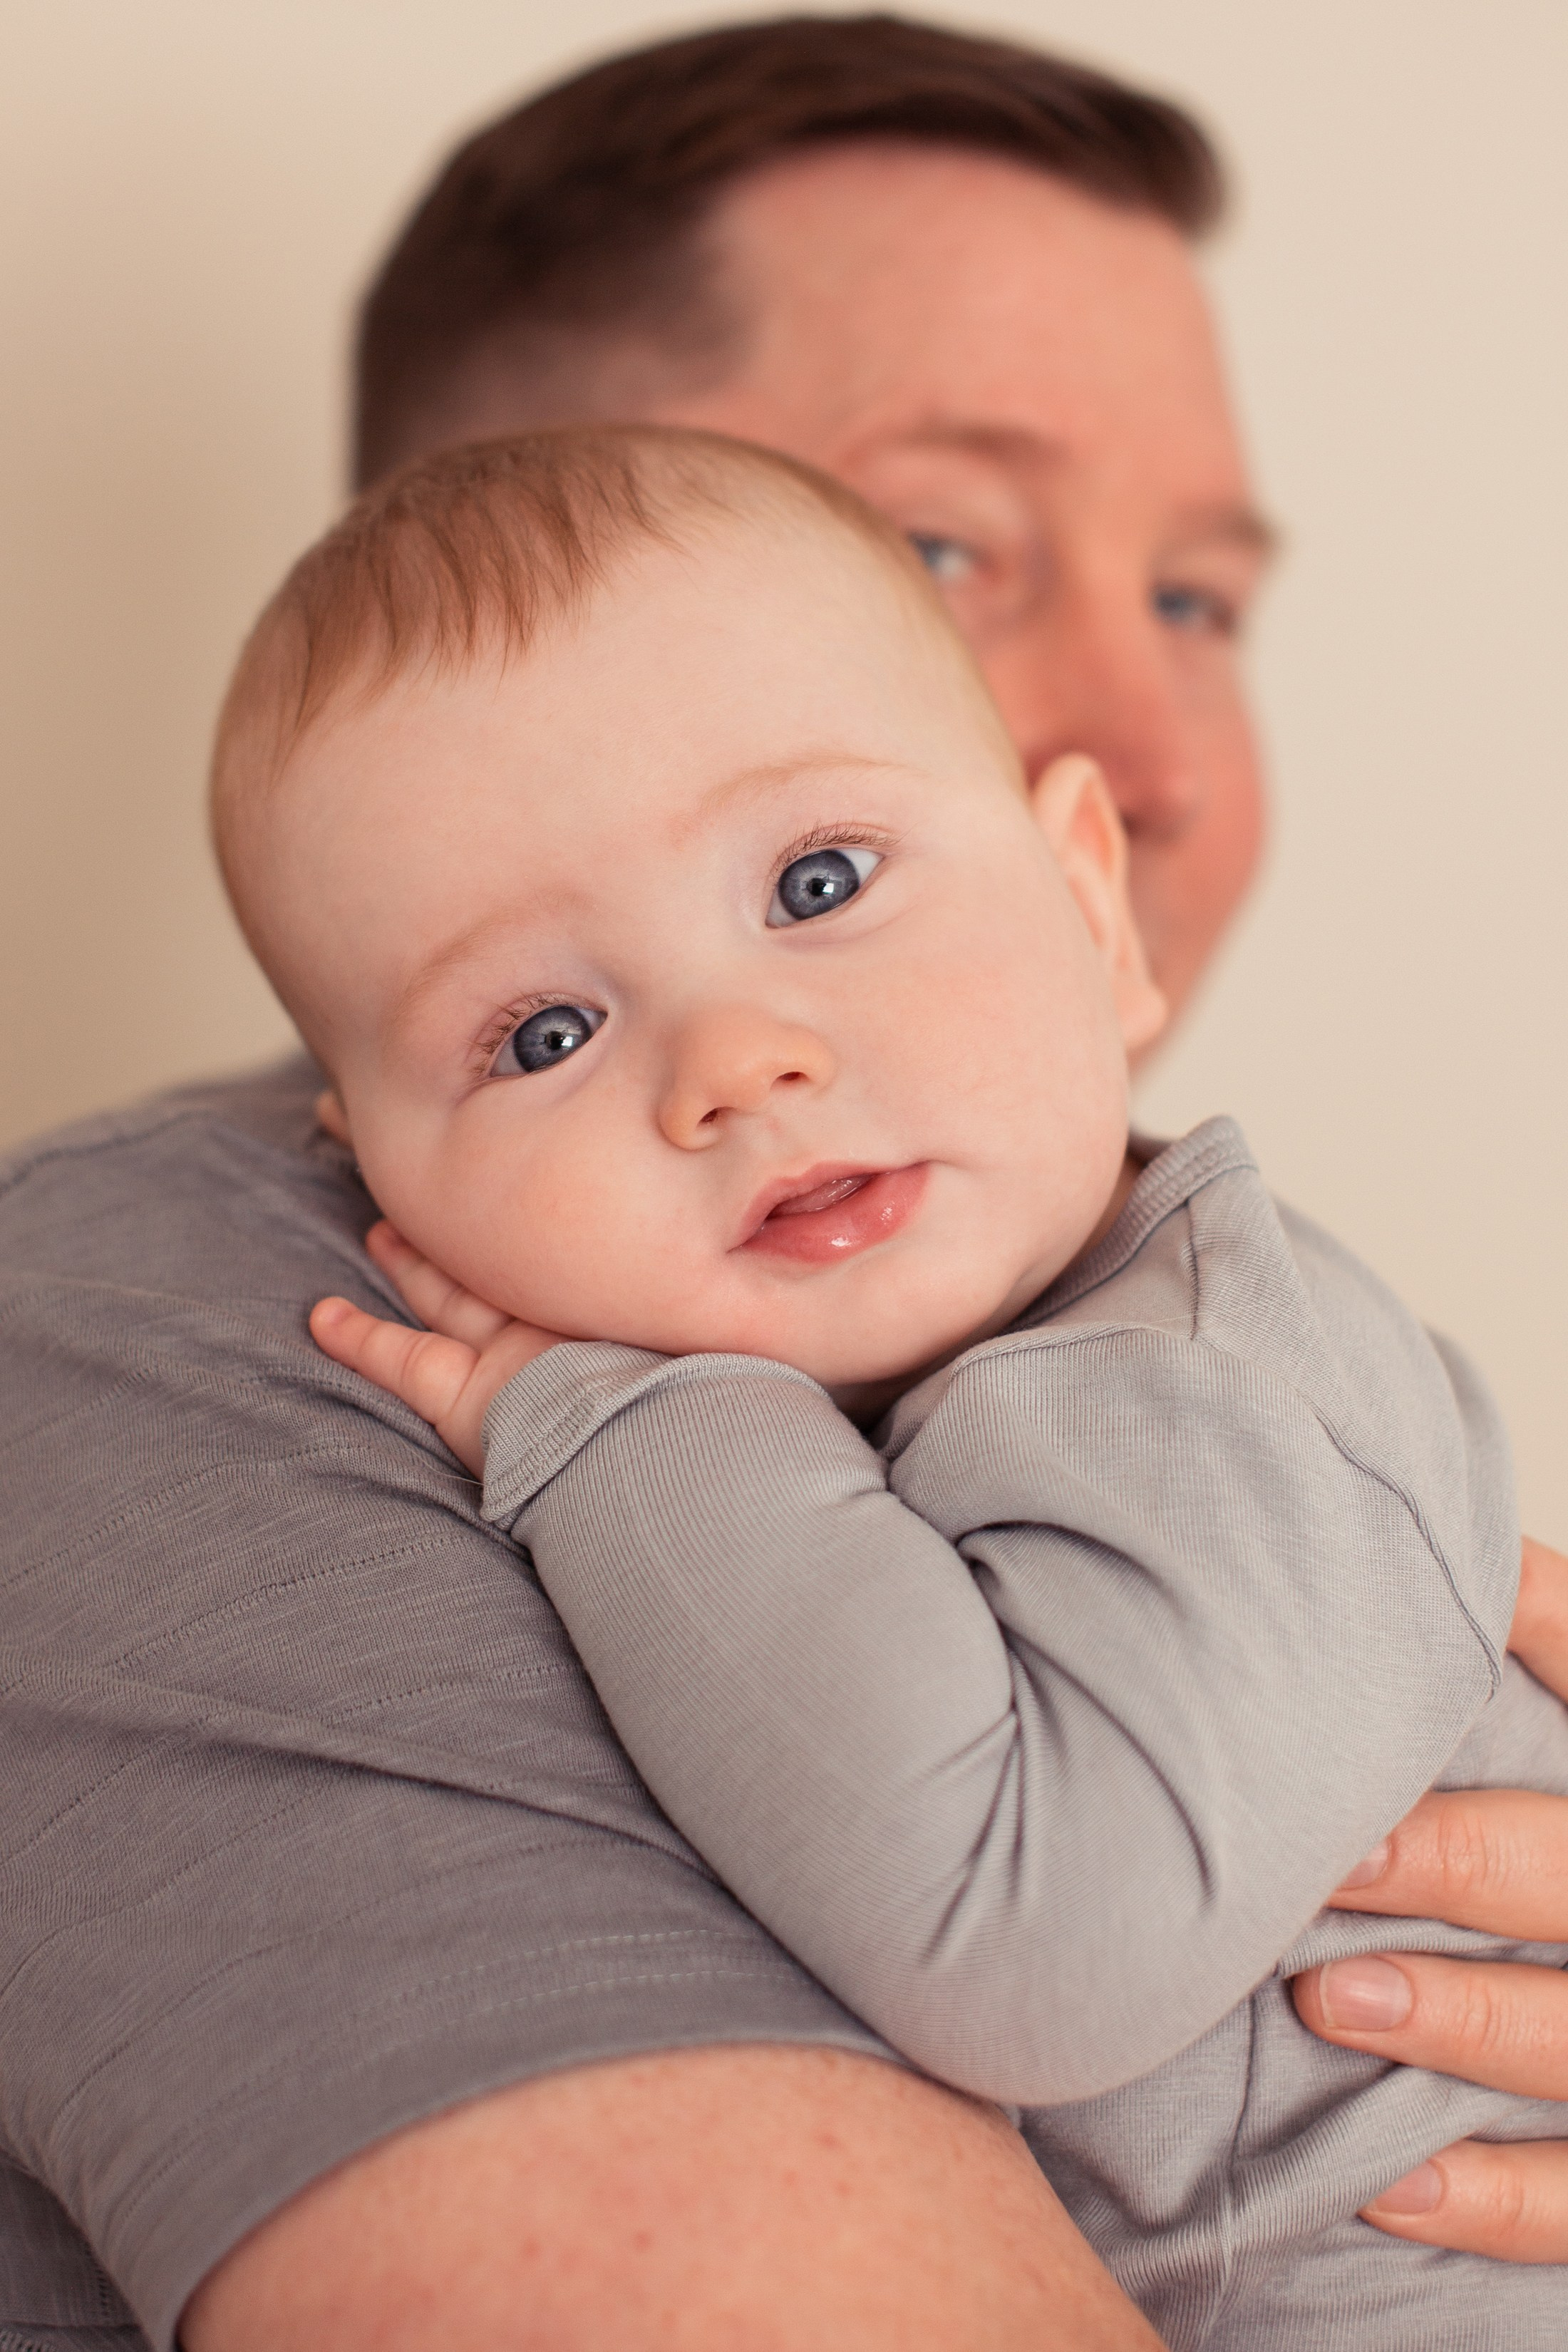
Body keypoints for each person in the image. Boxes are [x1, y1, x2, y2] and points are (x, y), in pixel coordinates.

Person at [1, 19, 1565, 2351]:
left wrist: (618, 1430)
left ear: (1078, 897)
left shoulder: (1198, 1367)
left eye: (1200, 598)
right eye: (947, 542)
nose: (1149, 752)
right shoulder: (178, 1319)